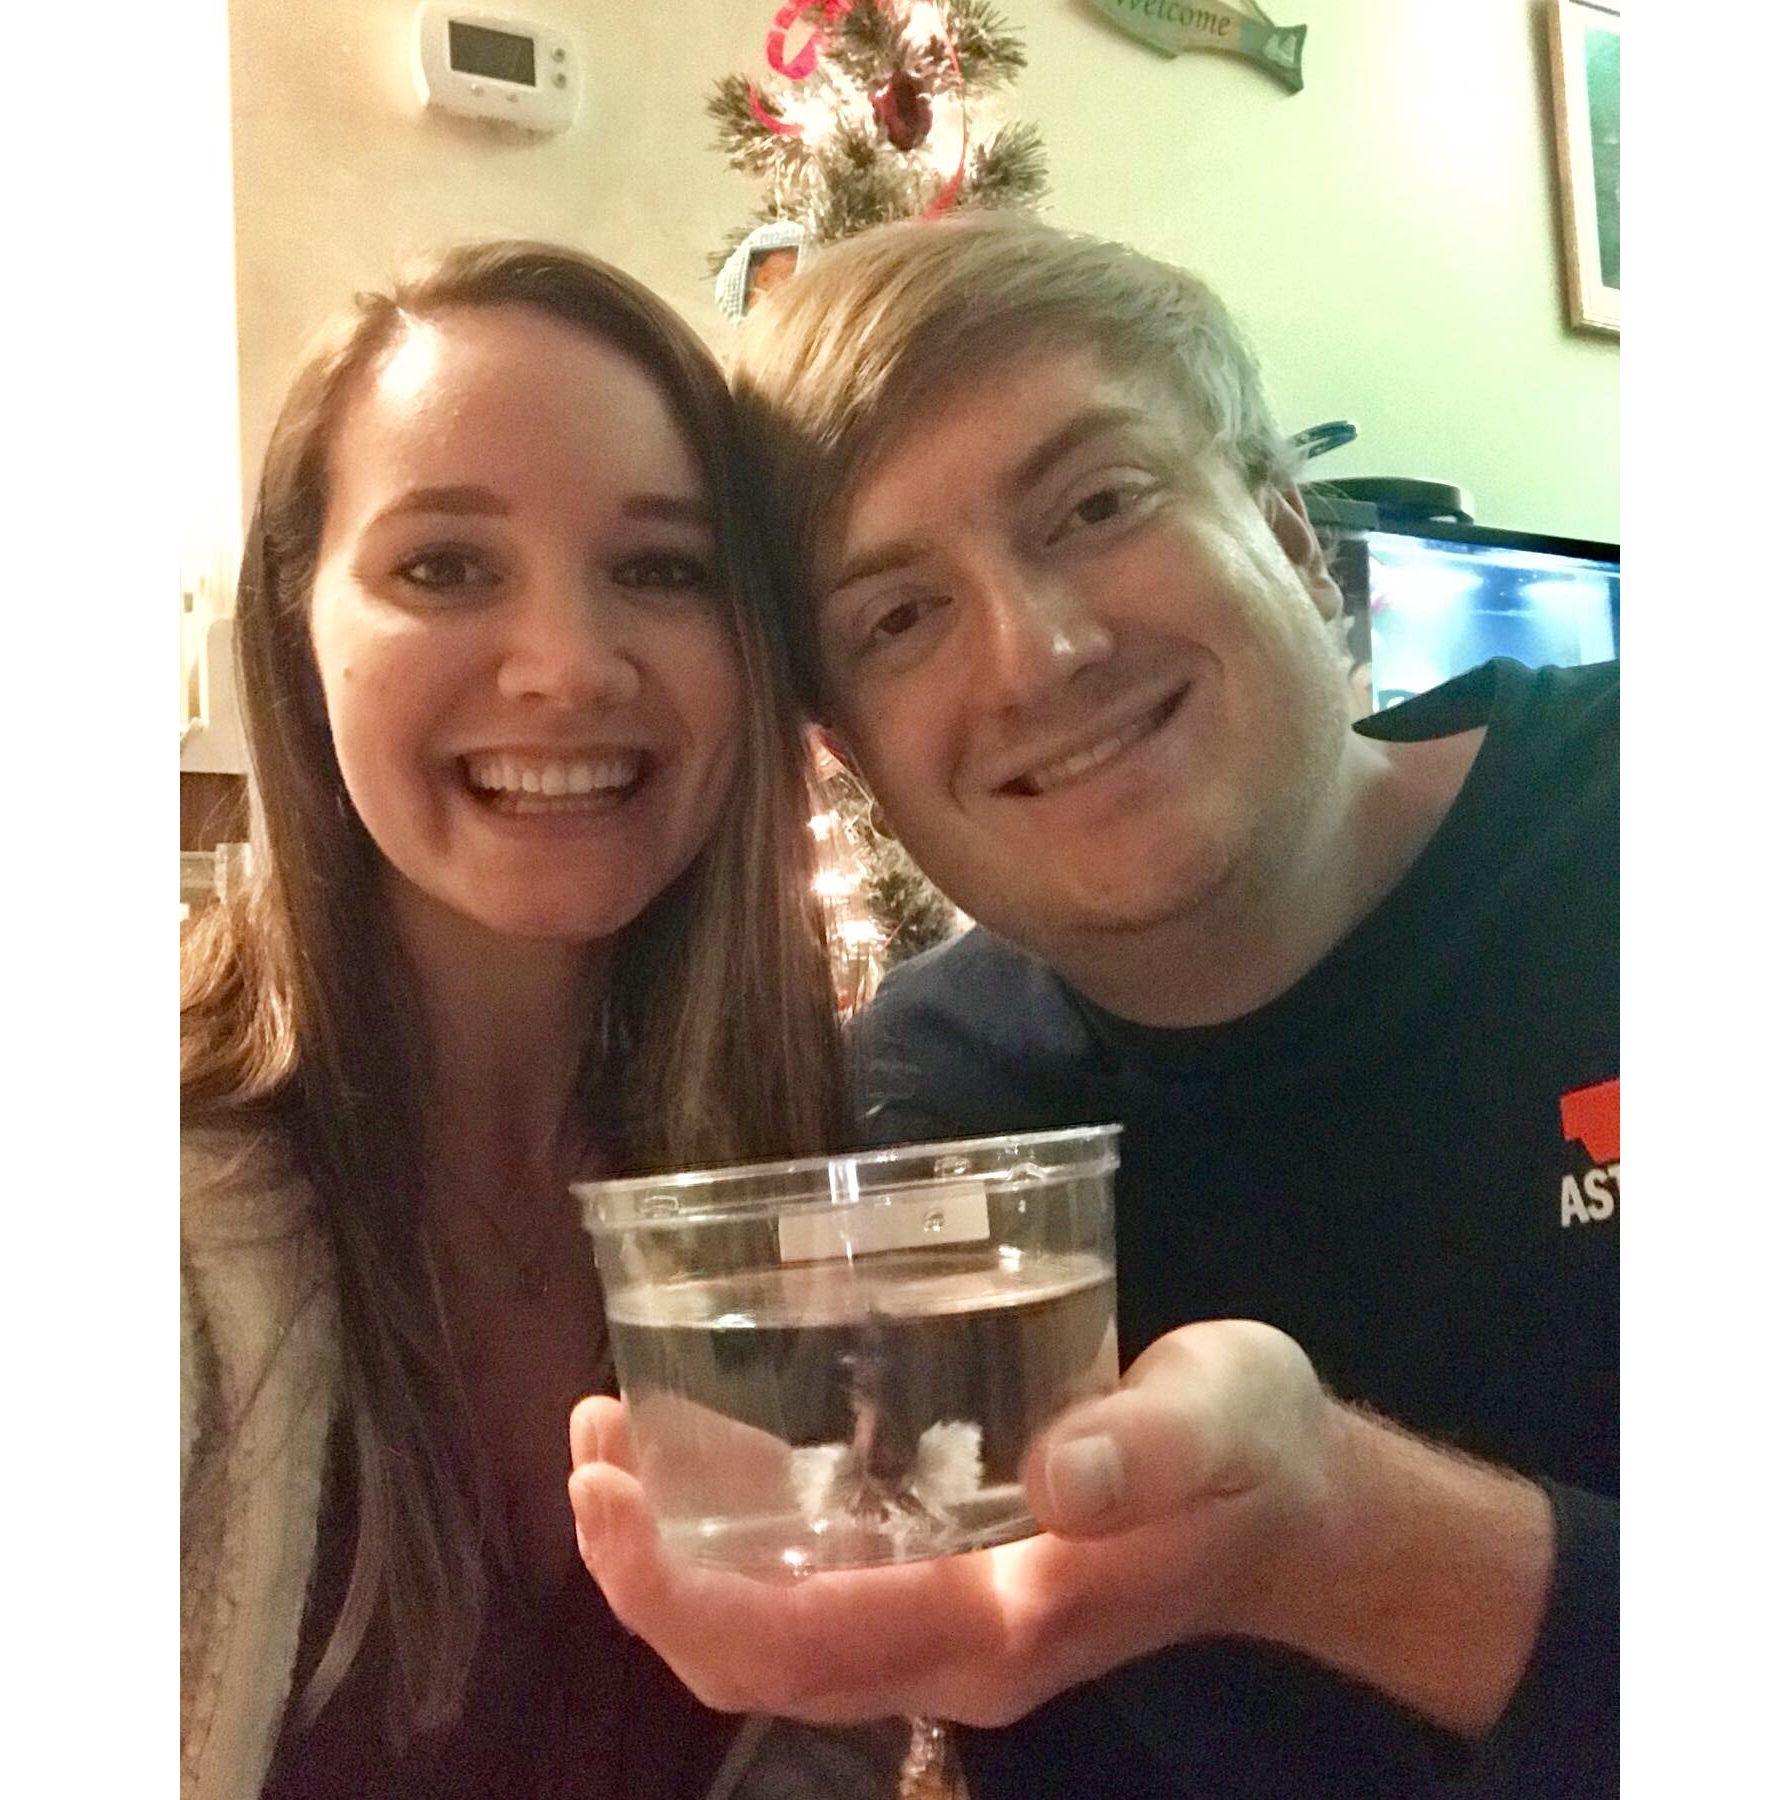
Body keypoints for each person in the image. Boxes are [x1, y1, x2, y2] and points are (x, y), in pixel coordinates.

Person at [568, 214, 1618, 1798]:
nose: (1040, 652)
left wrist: (1356, 1543)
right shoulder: (930, 1105)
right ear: (849, 759)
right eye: (897, 615)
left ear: (1289, 536)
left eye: (1098, 503)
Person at [180, 242, 916, 1800]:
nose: (572, 666)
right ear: (299, 634)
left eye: (661, 568)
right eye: (444, 565)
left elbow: (824, 1723)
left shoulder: (797, 1160)